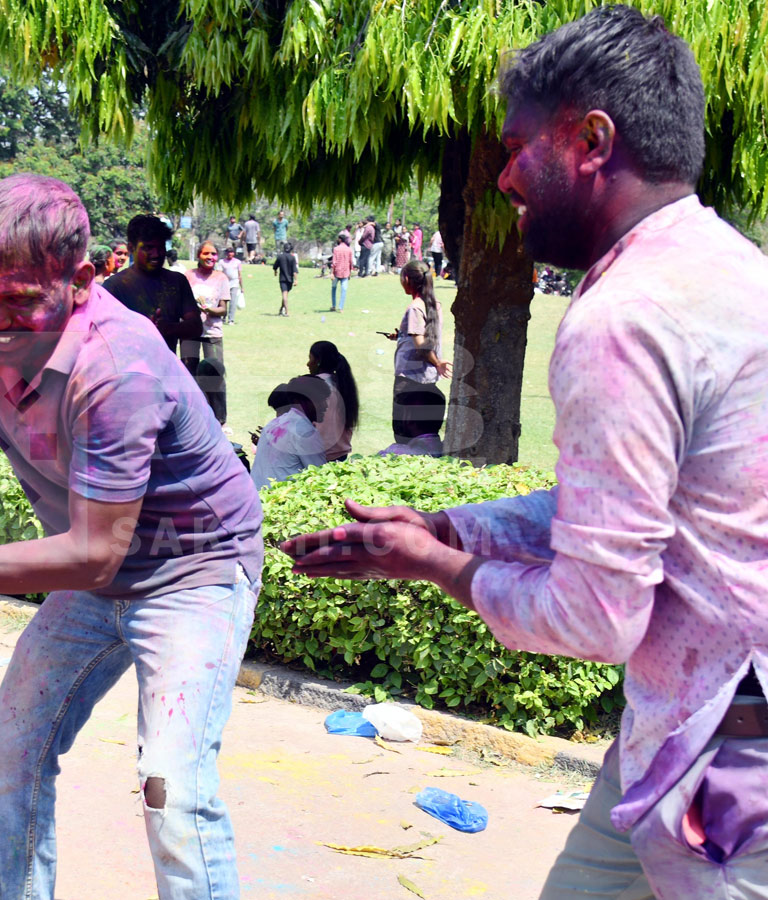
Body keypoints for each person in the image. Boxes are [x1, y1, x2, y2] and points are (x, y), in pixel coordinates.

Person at [282, 7, 768, 899]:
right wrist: (452, 526)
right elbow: (632, 504)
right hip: (679, 727)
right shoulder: (732, 268)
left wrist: (435, 568)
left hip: (729, 766)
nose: (502, 176)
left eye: (515, 147)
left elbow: (595, 616)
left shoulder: (624, 319)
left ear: (591, 140)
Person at [0, 173, 264, 900]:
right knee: (8, 760)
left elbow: (93, 550)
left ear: (80, 280)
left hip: (191, 573)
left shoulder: (116, 367)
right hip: (94, 578)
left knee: (173, 786)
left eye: (20, 301)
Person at [104, 213, 203, 372]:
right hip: (126, 379)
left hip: (166, 376)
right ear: (131, 248)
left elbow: (196, 327)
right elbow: (103, 337)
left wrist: (168, 328)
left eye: (161, 247)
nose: (156, 254)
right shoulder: (114, 287)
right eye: (148, 248)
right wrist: (142, 330)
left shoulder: (177, 282)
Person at [386, 260, 451, 444]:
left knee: (404, 434)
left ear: (406, 279)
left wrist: (437, 363)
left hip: (409, 380)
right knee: (426, 432)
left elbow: (421, 346)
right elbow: (423, 335)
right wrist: (400, 336)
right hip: (427, 378)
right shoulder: (435, 305)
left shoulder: (415, 307)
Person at [250, 375, 329, 490]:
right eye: (320, 401)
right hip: (276, 502)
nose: (326, 406)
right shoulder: (305, 432)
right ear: (300, 401)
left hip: (257, 498)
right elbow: (322, 478)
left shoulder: (271, 424)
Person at [307, 340, 358, 462]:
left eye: (310, 359)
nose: (307, 364)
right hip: (340, 454)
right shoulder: (344, 383)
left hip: (318, 454)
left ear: (318, 361)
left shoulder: (312, 385)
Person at [215, 245, 243, 324]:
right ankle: (223, 317)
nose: (230, 254)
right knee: (223, 302)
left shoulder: (237, 262)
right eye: (229, 253)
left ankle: (231, 319)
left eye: (232, 252)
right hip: (224, 284)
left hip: (234, 283)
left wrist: (242, 287)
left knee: (233, 302)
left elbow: (239, 275)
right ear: (226, 253)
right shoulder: (222, 262)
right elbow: (219, 273)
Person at [272, 240, 298, 316]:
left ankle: (283, 310)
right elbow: (294, 270)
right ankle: (286, 311)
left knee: (284, 296)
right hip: (290, 279)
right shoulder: (292, 258)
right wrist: (296, 280)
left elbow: (275, 266)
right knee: (285, 295)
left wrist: (275, 271)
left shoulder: (280, 257)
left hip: (282, 279)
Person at [329, 233, 354, 311]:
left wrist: (332, 273)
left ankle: (333, 305)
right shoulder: (349, 249)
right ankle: (341, 307)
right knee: (344, 290)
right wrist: (350, 272)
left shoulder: (336, 249)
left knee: (333, 288)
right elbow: (351, 262)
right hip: (345, 272)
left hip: (337, 272)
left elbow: (334, 262)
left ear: (340, 239)